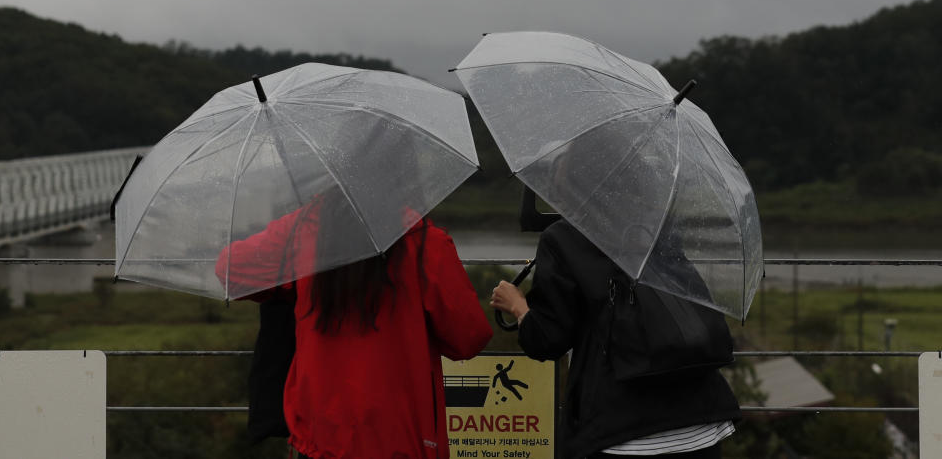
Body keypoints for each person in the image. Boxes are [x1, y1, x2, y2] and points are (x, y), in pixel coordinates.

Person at [216, 190, 494, 459]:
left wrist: (293, 279)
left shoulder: (302, 231)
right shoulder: (424, 243)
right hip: (404, 441)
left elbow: (229, 269)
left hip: (320, 442)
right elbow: (469, 338)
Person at [491, 218, 740, 459]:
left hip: (620, 432)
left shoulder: (564, 236)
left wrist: (519, 307)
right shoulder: (659, 222)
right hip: (701, 424)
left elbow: (547, 340)